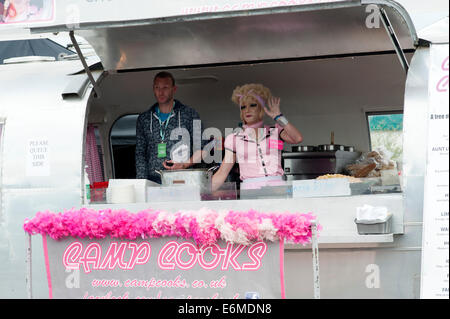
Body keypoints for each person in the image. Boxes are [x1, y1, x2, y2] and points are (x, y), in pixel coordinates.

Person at [212, 83, 303, 191]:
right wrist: (201, 195)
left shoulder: (275, 131)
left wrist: (279, 117)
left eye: (252, 105)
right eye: (243, 107)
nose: (247, 110)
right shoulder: (234, 138)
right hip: (250, 190)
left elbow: (297, 138)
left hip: (277, 188)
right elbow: (222, 172)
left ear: (261, 108)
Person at [135, 71, 207, 184]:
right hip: (153, 180)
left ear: (174, 89)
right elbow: (140, 153)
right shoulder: (144, 119)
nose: (161, 92)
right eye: (157, 87)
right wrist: (141, 183)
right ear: (153, 89)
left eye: (165, 87)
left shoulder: (190, 114)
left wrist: (184, 164)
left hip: (182, 178)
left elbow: (203, 149)